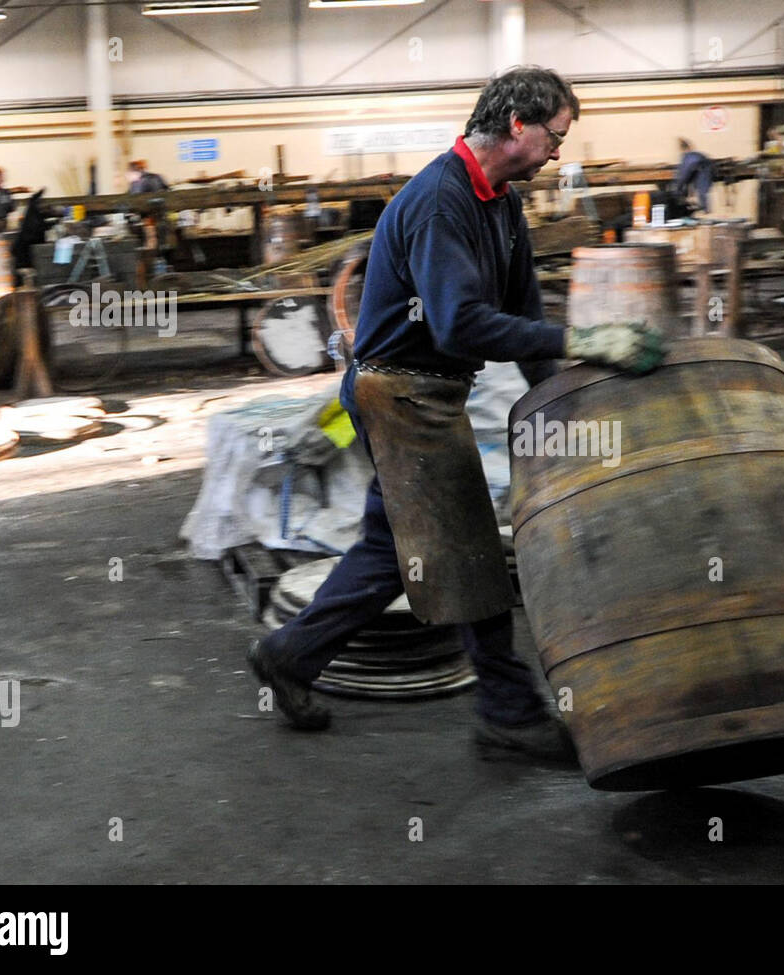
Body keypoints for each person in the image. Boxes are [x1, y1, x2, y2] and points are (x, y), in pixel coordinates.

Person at [246, 67, 666, 762]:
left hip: (425, 392)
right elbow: (459, 324)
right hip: (402, 395)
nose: (561, 151)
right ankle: (507, 709)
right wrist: (585, 339)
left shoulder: (498, 200)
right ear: (516, 127)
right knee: (468, 552)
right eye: (556, 136)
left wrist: (558, 401)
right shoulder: (443, 201)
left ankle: (288, 654)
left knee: (391, 549)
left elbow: (523, 307)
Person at [672, 137, 715, 213]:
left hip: (700, 170)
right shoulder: (695, 156)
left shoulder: (688, 157)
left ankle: (703, 209)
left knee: (700, 191)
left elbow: (683, 174)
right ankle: (705, 209)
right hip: (703, 170)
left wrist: (678, 187)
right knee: (702, 192)